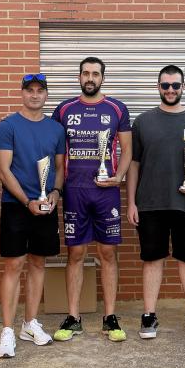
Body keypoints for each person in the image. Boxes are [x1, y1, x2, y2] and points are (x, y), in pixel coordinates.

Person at [127, 65, 185, 340]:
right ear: (158, 87)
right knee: (152, 259)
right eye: (165, 85)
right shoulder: (143, 122)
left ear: (183, 87)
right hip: (150, 203)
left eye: (175, 85)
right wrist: (131, 202)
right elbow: (133, 164)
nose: (170, 90)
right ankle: (149, 315)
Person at [50, 57, 132, 343]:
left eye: (95, 74)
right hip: (75, 190)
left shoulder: (117, 108)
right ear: (79, 77)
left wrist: (118, 177)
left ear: (102, 78)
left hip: (106, 191)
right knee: (75, 254)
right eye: (85, 73)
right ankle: (74, 318)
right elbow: (56, 151)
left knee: (108, 253)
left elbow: (127, 150)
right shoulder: (64, 109)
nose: (90, 78)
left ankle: (110, 317)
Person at [0, 74, 66, 358]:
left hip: (46, 205)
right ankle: (7, 330)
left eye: (40, 90)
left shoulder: (56, 129)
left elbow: (60, 167)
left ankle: (29, 323)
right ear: (22, 93)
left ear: (46, 95)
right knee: (14, 264)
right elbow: (4, 170)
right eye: (30, 90)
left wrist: (56, 193)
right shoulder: (8, 125)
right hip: (16, 205)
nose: (34, 95)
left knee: (38, 263)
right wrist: (27, 201)